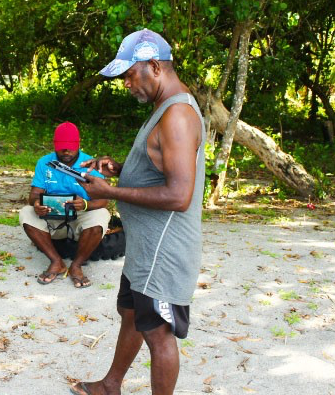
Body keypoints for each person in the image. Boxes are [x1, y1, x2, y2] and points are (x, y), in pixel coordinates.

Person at [70, 29, 206, 394]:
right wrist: (120, 169)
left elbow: (180, 195)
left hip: (164, 250)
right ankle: (111, 385)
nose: (127, 84)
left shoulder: (177, 115)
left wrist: (111, 192)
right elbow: (160, 166)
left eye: (130, 74)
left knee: (158, 333)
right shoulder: (167, 107)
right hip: (146, 248)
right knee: (132, 315)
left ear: (154, 66)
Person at [19, 122, 111, 288]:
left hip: (80, 216)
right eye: (61, 147)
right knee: (26, 212)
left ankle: (76, 266)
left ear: (78, 144)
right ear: (54, 145)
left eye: (70, 147)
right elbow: (33, 196)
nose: (66, 151)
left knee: (102, 214)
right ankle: (56, 262)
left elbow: (103, 200)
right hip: (52, 215)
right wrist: (37, 203)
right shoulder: (45, 163)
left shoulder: (90, 165)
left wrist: (84, 204)